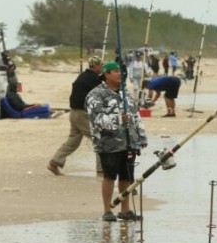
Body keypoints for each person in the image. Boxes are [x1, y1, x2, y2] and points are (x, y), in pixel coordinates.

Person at [87, 61, 147, 221]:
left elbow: (135, 115)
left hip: (128, 142)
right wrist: (120, 119)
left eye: (120, 71)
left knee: (126, 176)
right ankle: (107, 210)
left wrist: (141, 135)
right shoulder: (95, 94)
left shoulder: (125, 93)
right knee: (109, 176)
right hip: (108, 144)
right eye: (115, 71)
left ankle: (125, 209)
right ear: (106, 74)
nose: (119, 74)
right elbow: (97, 119)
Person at [48, 56, 105, 176]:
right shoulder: (93, 79)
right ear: (95, 66)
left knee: (73, 141)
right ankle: (101, 171)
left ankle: (55, 162)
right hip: (81, 114)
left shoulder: (83, 76)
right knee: (100, 139)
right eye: (101, 65)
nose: (102, 67)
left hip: (73, 113)